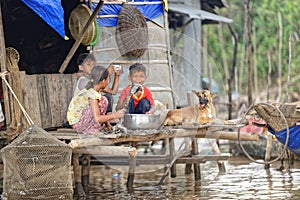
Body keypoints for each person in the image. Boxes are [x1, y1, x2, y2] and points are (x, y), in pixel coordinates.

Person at [67, 65, 125, 134]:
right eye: (108, 79)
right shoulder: (92, 94)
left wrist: (107, 124)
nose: (108, 81)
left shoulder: (93, 87)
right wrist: (115, 115)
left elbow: (113, 92)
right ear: (103, 81)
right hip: (79, 125)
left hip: (78, 122)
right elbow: (97, 118)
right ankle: (90, 129)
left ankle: (93, 127)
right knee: (103, 101)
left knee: (103, 100)